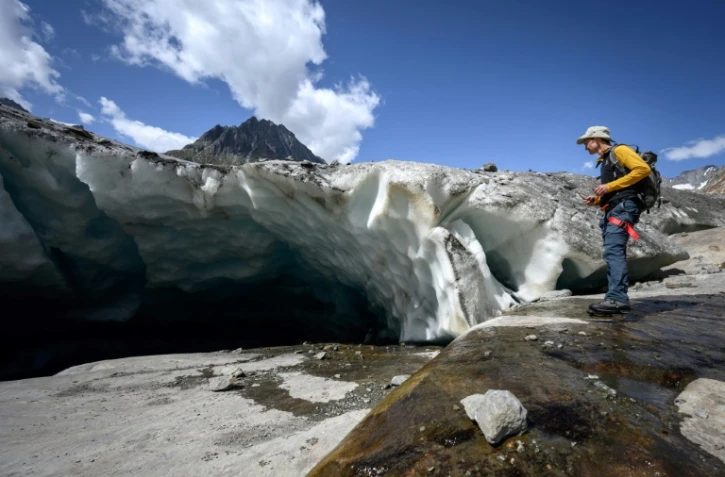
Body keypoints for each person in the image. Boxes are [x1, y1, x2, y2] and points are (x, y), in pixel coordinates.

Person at [578, 126, 651, 315]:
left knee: (614, 252)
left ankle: (617, 300)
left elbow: (643, 169)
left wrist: (609, 186)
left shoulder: (619, 150)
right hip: (616, 208)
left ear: (596, 139)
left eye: (587, 142)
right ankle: (614, 298)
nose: (585, 147)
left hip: (623, 208)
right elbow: (615, 191)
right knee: (612, 252)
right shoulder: (606, 160)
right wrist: (597, 201)